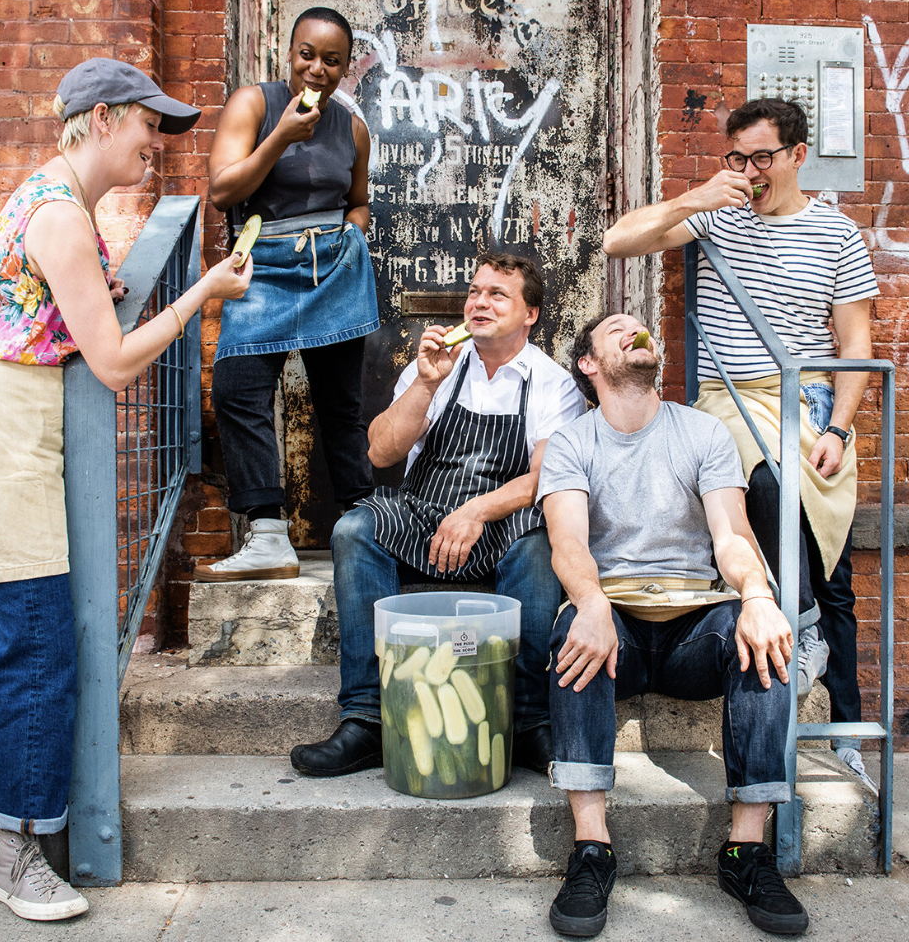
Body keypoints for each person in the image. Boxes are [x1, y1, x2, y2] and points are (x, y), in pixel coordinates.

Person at [0, 58, 252, 921]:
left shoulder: (53, 204)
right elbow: (118, 362)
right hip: (9, 440)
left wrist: (96, 288)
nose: (156, 145)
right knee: (43, 644)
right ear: (100, 119)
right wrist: (203, 291)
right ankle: (20, 849)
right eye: (146, 125)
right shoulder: (59, 216)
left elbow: (46, 308)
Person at [602, 98, 878, 792]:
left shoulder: (837, 237)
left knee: (831, 553)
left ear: (797, 155)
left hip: (806, 396)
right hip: (729, 396)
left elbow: (855, 347)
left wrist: (840, 430)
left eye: (762, 157)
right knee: (766, 488)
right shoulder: (717, 214)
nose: (749, 171)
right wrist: (698, 194)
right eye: (737, 158)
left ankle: (844, 725)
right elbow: (617, 241)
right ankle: (792, 615)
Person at [539, 313, 807, 937]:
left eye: (642, 327)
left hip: (694, 625)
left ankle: (747, 853)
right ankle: (590, 850)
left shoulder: (703, 432)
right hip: (618, 631)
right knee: (570, 630)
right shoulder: (573, 444)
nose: (635, 332)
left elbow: (731, 536)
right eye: (616, 329)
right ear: (589, 364)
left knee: (761, 634)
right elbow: (569, 544)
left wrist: (757, 593)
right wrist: (593, 602)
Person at [290, 253, 587, 776]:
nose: (480, 302)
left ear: (531, 314)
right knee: (355, 529)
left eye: (498, 294)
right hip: (424, 517)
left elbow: (545, 477)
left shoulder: (551, 383)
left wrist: (476, 510)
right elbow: (380, 452)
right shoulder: (436, 367)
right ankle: (366, 721)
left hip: (499, 528)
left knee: (541, 541)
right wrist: (426, 384)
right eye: (475, 292)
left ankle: (527, 720)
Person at [196, 6, 377, 582]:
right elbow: (224, 191)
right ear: (288, 50)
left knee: (339, 407)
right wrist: (280, 136)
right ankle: (269, 533)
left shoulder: (351, 127)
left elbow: (358, 197)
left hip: (332, 268)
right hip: (265, 267)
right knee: (237, 391)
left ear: (347, 67)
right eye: (307, 54)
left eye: (332, 60)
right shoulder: (255, 103)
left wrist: (356, 229)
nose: (317, 69)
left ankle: (362, 522)